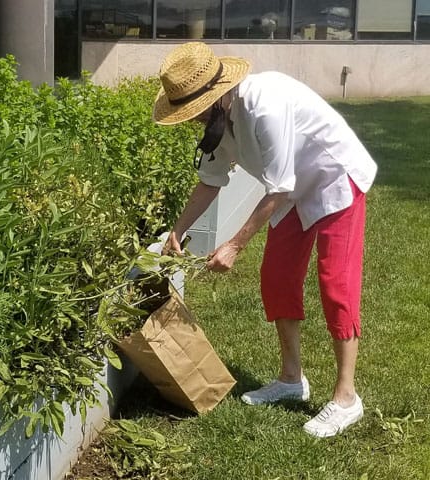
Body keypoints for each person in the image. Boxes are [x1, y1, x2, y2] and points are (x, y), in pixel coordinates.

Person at [153, 42, 377, 438]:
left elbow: (276, 189)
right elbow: (211, 181)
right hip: (291, 189)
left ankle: (346, 397)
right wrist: (178, 229)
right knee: (277, 278)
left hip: (333, 177)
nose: (192, 121)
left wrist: (234, 245)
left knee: (335, 285)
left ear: (216, 94)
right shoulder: (218, 121)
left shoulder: (264, 104)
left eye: (194, 112)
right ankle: (292, 378)